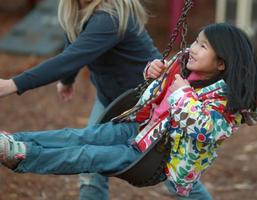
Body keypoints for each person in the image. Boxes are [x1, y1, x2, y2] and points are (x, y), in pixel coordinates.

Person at [0, 23, 257, 198]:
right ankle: (14, 142)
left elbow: (204, 130)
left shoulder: (223, 104)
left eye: (202, 46)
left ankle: (23, 156)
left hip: (151, 156)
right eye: (196, 41)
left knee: (86, 155)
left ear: (221, 63)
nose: (192, 48)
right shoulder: (186, 68)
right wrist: (154, 73)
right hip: (137, 129)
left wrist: (181, 94)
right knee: (77, 136)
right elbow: (155, 96)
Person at [0, 0, 164, 199]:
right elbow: (75, 44)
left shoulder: (111, 17)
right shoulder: (80, 10)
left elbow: (72, 58)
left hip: (151, 107)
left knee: (173, 173)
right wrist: (68, 79)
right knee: (90, 171)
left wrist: (13, 84)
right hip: (112, 102)